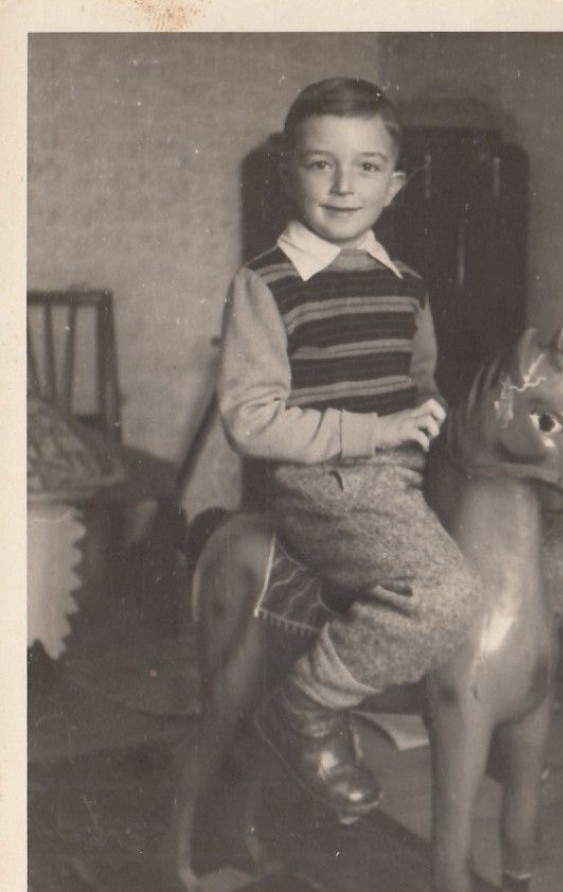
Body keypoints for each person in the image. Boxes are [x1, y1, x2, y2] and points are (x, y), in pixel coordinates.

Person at [217, 77, 480, 819]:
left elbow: (420, 390)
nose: (342, 186)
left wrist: (445, 432)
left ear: (393, 185)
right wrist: (373, 432)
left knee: (555, 556)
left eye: (365, 166)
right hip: (322, 484)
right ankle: (306, 704)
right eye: (319, 164)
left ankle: (466, 699)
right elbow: (251, 420)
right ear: (287, 173)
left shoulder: (407, 285)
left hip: (401, 475)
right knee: (446, 592)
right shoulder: (266, 282)